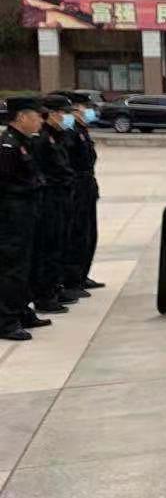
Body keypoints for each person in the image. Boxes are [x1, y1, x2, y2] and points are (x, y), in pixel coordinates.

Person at [0, 98, 46, 341]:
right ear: (21, 117)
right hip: (12, 216)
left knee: (27, 265)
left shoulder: (24, 142)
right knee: (12, 268)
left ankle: (21, 311)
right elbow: (6, 184)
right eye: (36, 116)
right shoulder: (8, 146)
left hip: (26, 212)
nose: (40, 121)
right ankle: (6, 322)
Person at [31, 94, 79, 314]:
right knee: (48, 248)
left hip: (61, 197)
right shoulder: (41, 139)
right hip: (50, 199)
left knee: (60, 245)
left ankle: (55, 288)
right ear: (50, 114)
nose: (64, 117)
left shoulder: (56, 136)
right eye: (61, 112)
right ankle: (45, 295)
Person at [60, 94, 104, 295]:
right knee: (77, 234)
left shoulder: (82, 131)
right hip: (77, 187)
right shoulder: (69, 132)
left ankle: (82, 275)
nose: (90, 111)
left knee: (89, 234)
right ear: (75, 110)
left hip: (87, 185)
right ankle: (72, 280)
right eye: (85, 108)